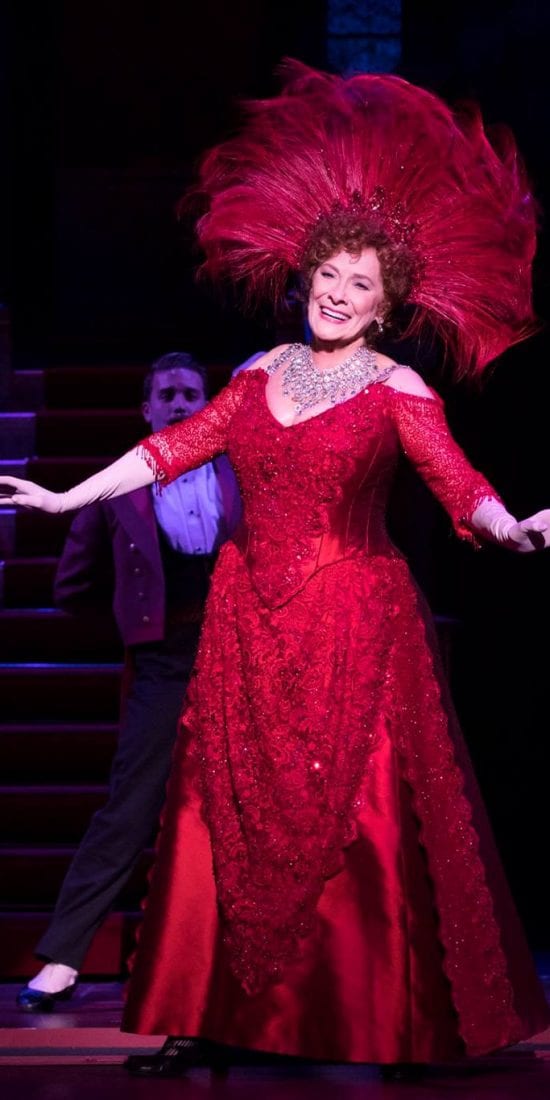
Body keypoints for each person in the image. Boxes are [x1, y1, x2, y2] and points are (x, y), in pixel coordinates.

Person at [2, 61, 550, 1074]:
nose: (338, 295)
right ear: (306, 280)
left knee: (359, 815)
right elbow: (172, 448)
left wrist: (511, 527)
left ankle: (376, 1023)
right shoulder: (257, 374)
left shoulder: (399, 386)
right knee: (218, 813)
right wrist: (68, 497)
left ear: (384, 305)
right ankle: (207, 1015)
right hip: (245, 621)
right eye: (328, 277)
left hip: (353, 623)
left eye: (360, 285)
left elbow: (457, 481)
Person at [15, 351, 240, 1011]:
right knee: (130, 806)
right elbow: (73, 585)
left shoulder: (242, 472)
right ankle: (63, 957)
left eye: (190, 393)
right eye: (166, 395)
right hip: (167, 658)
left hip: (241, 653)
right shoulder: (119, 484)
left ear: (208, 405)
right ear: (146, 409)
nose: (179, 404)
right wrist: (137, 621)